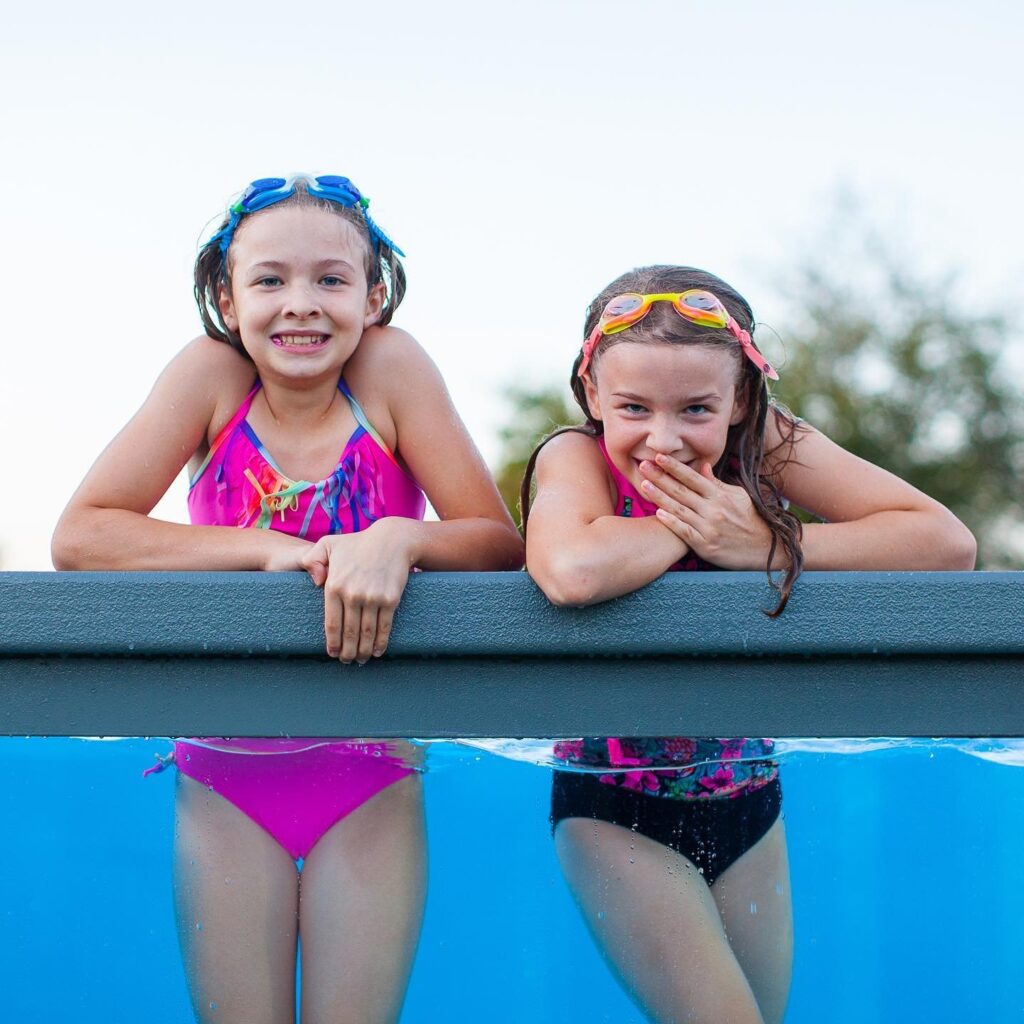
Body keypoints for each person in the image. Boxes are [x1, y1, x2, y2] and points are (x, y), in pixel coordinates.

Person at [51, 174, 523, 1024]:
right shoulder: (208, 379)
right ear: (227, 299)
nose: (299, 304)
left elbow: (495, 541)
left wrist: (399, 538)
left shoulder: (390, 368)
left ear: (373, 296)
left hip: (371, 772)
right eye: (269, 280)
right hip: (223, 777)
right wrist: (270, 548)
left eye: (330, 280)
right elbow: (83, 537)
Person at [521, 265, 976, 1024]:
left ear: (739, 399)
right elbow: (570, 570)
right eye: (633, 407)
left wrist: (769, 539)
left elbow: (945, 543)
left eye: (696, 408)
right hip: (610, 804)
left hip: (749, 793)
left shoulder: (763, 445)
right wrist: (702, 526)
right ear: (594, 392)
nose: (661, 438)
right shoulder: (575, 454)